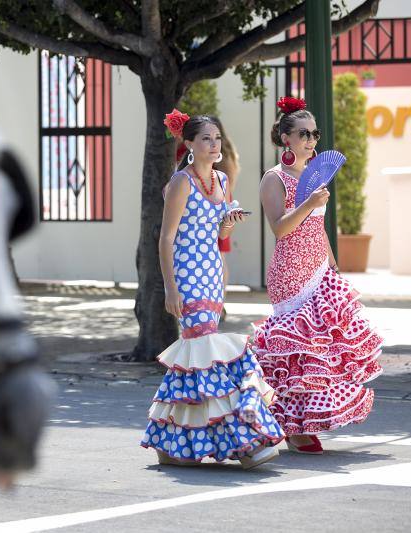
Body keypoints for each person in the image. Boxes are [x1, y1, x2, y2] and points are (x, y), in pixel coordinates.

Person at [140, 110, 284, 469]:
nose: (214, 144)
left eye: (217, 138)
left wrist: (228, 225)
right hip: (187, 274)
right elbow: (166, 239)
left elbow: (219, 235)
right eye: (206, 138)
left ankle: (176, 442)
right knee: (206, 351)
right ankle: (242, 440)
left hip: (213, 273)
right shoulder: (181, 183)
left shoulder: (220, 180)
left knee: (200, 356)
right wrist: (171, 288)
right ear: (189, 144)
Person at [251, 97, 383, 454]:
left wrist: (332, 259)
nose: (311, 140)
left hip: (319, 267)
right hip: (290, 272)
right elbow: (280, 229)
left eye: (315, 134)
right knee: (299, 351)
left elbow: (317, 226)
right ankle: (291, 426)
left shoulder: (316, 177)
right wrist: (308, 203)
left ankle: (308, 420)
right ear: (285, 138)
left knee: (327, 347)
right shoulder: (273, 178)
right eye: (304, 134)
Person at [215, 121, 240, 321]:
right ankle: (220, 303)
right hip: (225, 206)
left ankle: (218, 303)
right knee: (221, 257)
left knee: (219, 258)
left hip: (215, 208)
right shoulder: (228, 153)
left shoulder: (218, 156)